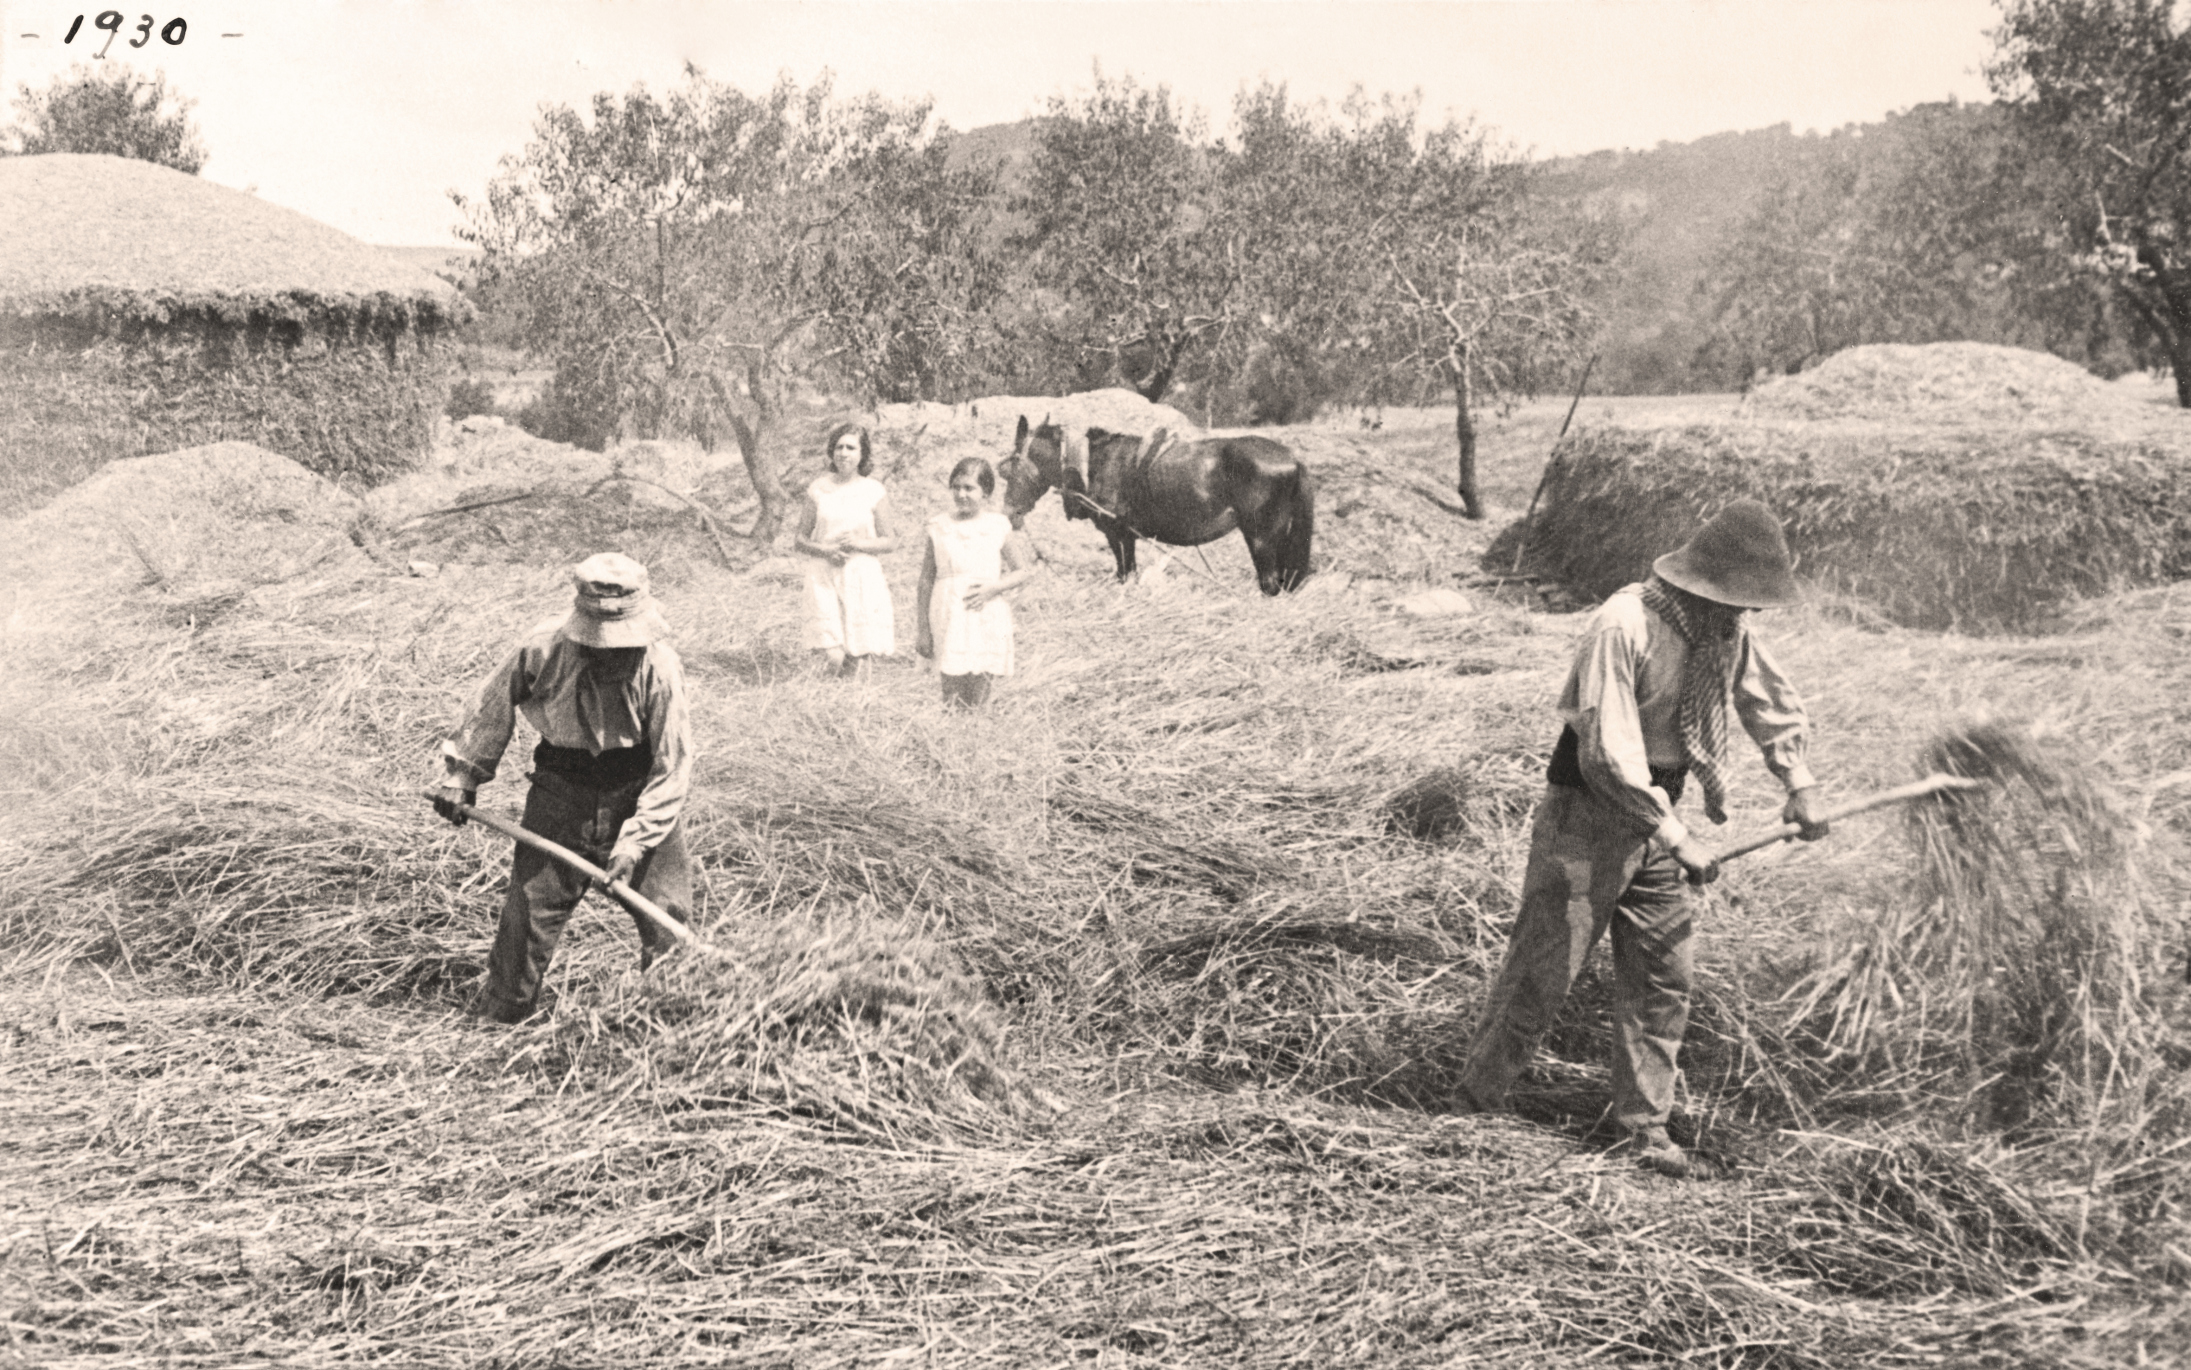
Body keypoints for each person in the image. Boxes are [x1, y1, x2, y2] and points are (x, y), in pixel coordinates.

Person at [1455, 500, 1830, 1177]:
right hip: (1588, 816)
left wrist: (1797, 780)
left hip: (1659, 818)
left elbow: (1767, 699)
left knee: (1663, 980)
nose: (1746, 613)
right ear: (1703, 584)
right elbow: (1608, 753)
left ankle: (1643, 1131)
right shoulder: (1623, 623)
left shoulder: (1722, 628)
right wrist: (1675, 837)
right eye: (1739, 599)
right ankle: (1472, 1108)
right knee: (1543, 972)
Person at [431, 552, 696, 1025]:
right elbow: (492, 705)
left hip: (636, 793)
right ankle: (502, 1020)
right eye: (599, 642)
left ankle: (674, 1021)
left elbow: (671, 765)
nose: (610, 653)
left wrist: (635, 841)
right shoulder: (542, 647)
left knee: (669, 920)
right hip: (560, 793)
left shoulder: (659, 666)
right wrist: (463, 777)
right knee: (526, 920)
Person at [915, 457, 1038, 707]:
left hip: (985, 612)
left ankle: (976, 725)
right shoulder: (939, 526)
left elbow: (1023, 570)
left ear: (986, 493)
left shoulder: (997, 525)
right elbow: (926, 579)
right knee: (951, 691)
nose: (961, 494)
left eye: (969, 488)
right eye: (956, 487)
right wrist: (923, 630)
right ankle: (952, 726)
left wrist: (993, 588)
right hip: (948, 611)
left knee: (979, 690)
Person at [794, 423, 899, 678]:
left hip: (861, 575)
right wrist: (826, 550)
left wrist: (857, 543)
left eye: (851, 448)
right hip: (823, 574)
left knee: (858, 653)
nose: (843, 453)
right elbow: (799, 539)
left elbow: (889, 541)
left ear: (862, 454)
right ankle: (825, 692)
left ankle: (851, 699)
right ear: (831, 452)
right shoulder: (819, 489)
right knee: (832, 654)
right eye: (838, 447)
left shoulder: (873, 490)